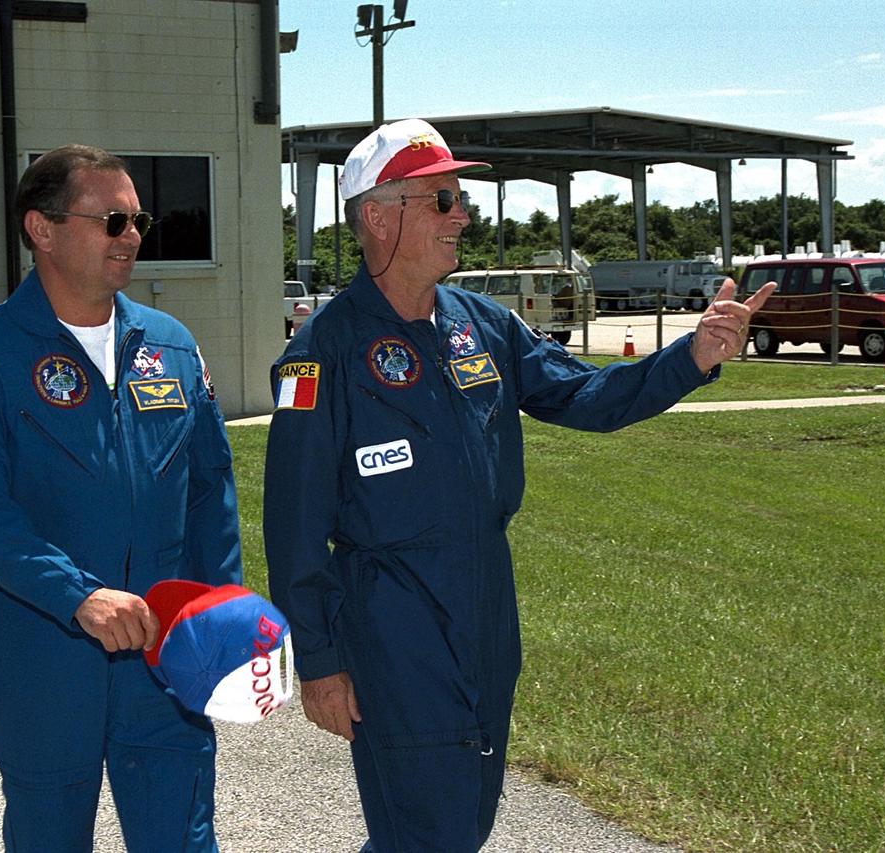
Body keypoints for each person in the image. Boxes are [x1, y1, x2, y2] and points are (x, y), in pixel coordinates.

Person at [262, 119, 776, 853]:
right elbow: (293, 521)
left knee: (460, 821)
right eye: (441, 199)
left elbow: (588, 396)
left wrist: (690, 357)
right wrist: (317, 660)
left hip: (486, 615)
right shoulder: (320, 356)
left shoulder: (484, 325)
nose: (462, 214)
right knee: (429, 831)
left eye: (459, 196)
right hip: (393, 625)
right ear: (379, 216)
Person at [0, 144, 241, 853]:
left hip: (164, 661)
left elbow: (210, 494)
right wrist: (79, 595)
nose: (131, 236)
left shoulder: (173, 346)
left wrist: (222, 609)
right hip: (45, 657)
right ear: (42, 229)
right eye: (112, 220)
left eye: (137, 220)